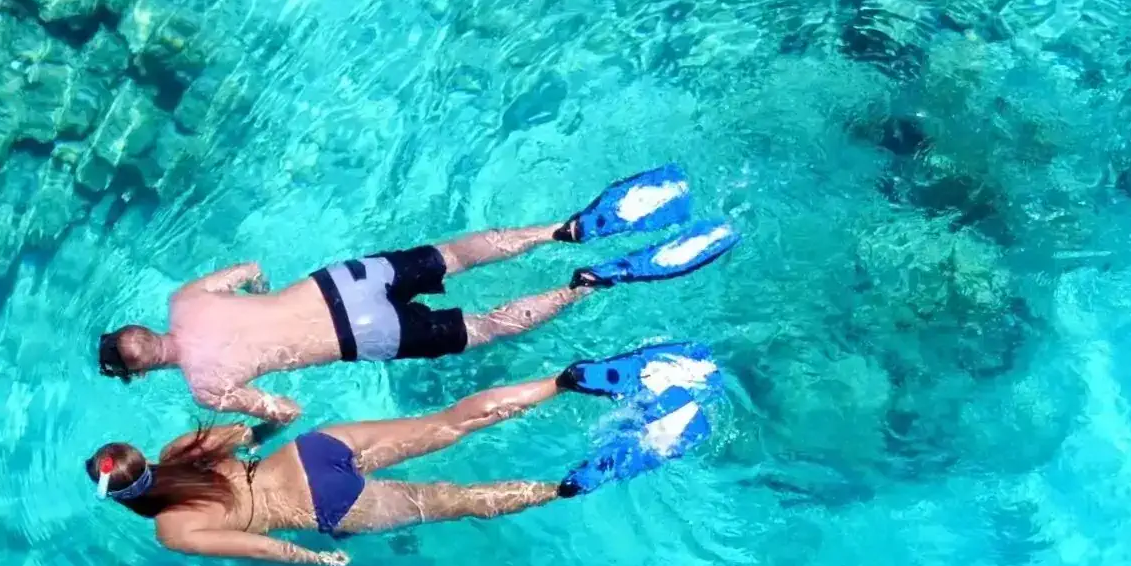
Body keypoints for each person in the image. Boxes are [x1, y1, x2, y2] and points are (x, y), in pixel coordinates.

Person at [93, 167, 732, 425]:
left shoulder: (205, 387)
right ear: (144, 331)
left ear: (142, 372)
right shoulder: (184, 300)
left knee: (485, 327)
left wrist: (261, 432)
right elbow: (250, 268)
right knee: (456, 254)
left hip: (357, 338)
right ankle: (563, 231)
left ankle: (587, 282)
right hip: (339, 284)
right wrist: (261, 291)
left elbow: (283, 409)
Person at [84, 349, 719, 566]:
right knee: (448, 425)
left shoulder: (173, 529)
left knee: (458, 501)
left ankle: (569, 488)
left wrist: (316, 556)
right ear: (139, 458)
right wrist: (259, 428)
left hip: (320, 505)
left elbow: (257, 547)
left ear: (119, 497)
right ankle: (567, 382)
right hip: (317, 451)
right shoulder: (181, 451)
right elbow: (266, 428)